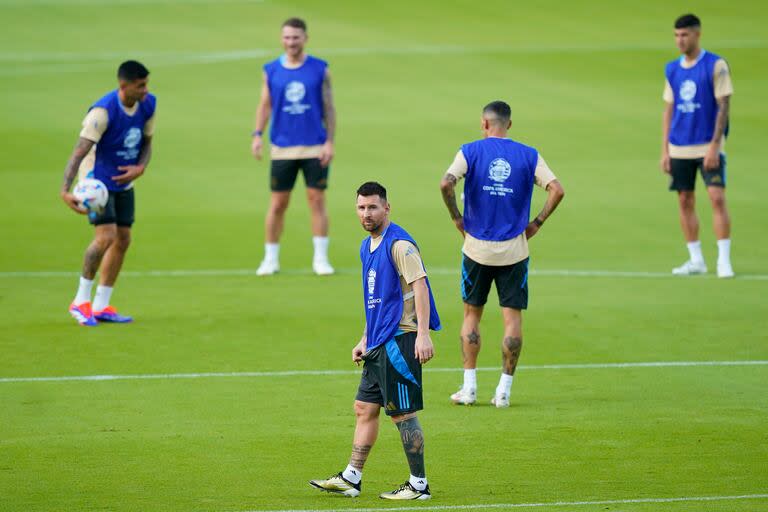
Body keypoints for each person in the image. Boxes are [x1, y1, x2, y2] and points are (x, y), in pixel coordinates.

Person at [309, 182, 441, 500]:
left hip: (400, 341)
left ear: (386, 208)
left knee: (401, 414)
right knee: (364, 408)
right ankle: (351, 478)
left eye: (372, 207)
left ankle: (418, 485)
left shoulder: (400, 245)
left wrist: (422, 334)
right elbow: (378, 299)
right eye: (361, 207)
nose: (366, 214)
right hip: (378, 341)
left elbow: (420, 286)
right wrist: (364, 337)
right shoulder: (366, 246)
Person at [440, 101, 564, 407]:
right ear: (509, 124)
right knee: (512, 319)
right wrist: (537, 222)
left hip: (476, 248)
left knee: (472, 315)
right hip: (514, 250)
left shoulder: (470, 151)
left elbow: (446, 183)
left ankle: (469, 388)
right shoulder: (528, 154)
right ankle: (504, 392)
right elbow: (557, 189)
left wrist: (457, 218)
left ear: (484, 123)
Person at [60, 60, 156, 326]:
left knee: (123, 239)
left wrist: (140, 167)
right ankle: (80, 301)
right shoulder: (102, 113)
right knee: (106, 237)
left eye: (146, 84)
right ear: (123, 86)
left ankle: (102, 304)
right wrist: (65, 190)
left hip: (124, 180)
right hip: (97, 182)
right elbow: (79, 152)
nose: (146, 90)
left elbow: (147, 143)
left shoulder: (148, 105)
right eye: (140, 86)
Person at [251, 17, 336, 276]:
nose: (291, 42)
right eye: (287, 37)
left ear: (305, 38)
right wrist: (257, 134)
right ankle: (270, 258)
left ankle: (320, 259)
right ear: (281, 39)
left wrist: (329, 141)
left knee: (317, 200)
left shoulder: (320, 69)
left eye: (296, 37)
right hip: (282, 147)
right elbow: (265, 104)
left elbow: (328, 107)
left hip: (314, 146)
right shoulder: (271, 70)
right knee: (278, 203)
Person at [660, 14, 734, 278]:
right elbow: (669, 110)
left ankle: (724, 260)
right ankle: (696, 259)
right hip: (680, 146)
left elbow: (724, 106)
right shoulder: (672, 69)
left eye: (685, 35)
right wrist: (665, 150)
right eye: (676, 35)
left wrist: (715, 145)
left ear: (697, 34)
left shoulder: (716, 65)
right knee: (684, 200)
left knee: (717, 197)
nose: (680, 40)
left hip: (708, 145)